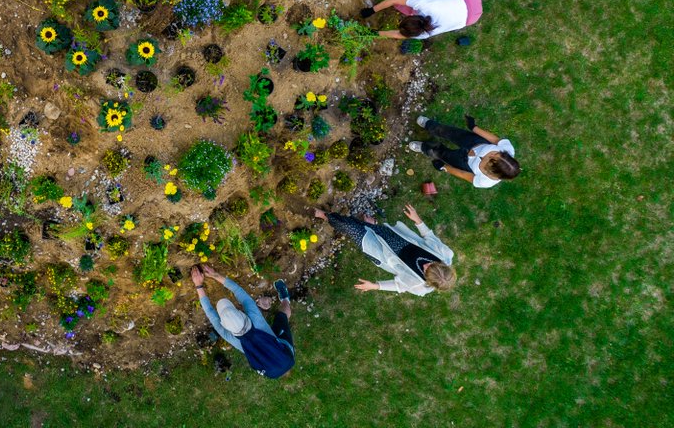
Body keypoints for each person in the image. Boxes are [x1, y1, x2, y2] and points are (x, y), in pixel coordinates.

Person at [313, 205, 456, 296]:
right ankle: (370, 224)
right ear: (442, 264)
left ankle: (326, 215)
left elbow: (399, 286)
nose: (425, 266)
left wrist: (374, 286)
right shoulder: (445, 254)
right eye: (430, 265)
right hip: (398, 240)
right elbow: (429, 237)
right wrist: (417, 220)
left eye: (426, 272)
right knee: (372, 229)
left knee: (352, 229)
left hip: (383, 255)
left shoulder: (419, 286)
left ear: (429, 282)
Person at [192, 264, 295, 379]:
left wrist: (199, 285)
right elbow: (212, 313)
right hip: (284, 356)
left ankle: (285, 299)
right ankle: (285, 299)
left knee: (281, 318)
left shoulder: (235, 338)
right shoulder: (255, 321)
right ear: (243, 314)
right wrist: (212, 277)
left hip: (270, 369)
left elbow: (213, 311)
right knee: (281, 318)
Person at [409, 115, 519, 188]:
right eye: (497, 152)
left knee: (441, 154)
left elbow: (463, 174)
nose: (493, 152)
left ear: (489, 169)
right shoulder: (508, 150)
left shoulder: (485, 181)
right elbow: (495, 140)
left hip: (463, 162)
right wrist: (474, 128)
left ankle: (426, 147)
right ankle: (430, 125)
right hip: (474, 142)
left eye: (492, 156)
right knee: (449, 132)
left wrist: (444, 167)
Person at [362, 0, 482, 40]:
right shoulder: (425, 4)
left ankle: (408, 0)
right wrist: (371, 10)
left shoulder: (424, 32)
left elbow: (398, 34)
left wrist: (373, 34)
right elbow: (394, 0)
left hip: (470, 14)